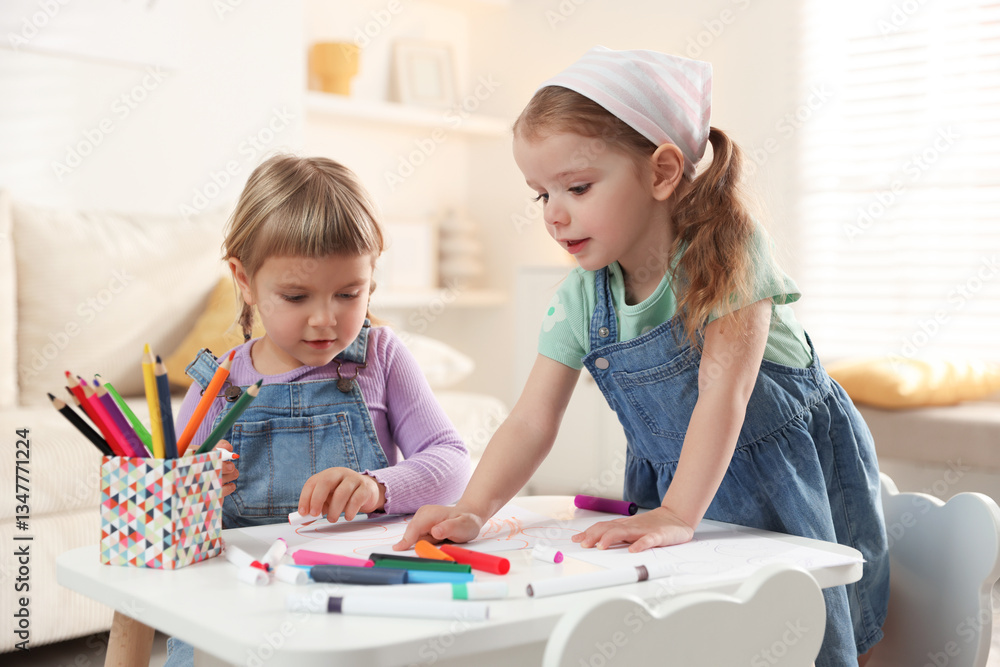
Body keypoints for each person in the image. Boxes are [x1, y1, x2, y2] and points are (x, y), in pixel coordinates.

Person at [396, 47, 888, 666]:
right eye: (539, 194)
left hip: (785, 476)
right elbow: (530, 420)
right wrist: (472, 510)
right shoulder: (582, 297)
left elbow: (724, 394)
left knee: (808, 631)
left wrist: (679, 513)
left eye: (576, 187)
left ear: (660, 173)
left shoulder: (728, 253)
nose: (554, 213)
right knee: (698, 641)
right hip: (673, 490)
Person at [163, 154, 471, 665]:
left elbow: (453, 462)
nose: (324, 319)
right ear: (244, 280)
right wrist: (190, 484)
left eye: (349, 293)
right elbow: (168, 508)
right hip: (234, 605)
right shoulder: (217, 382)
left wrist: (378, 488)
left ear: (371, 277)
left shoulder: (381, 357)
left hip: (352, 600)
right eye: (296, 296)